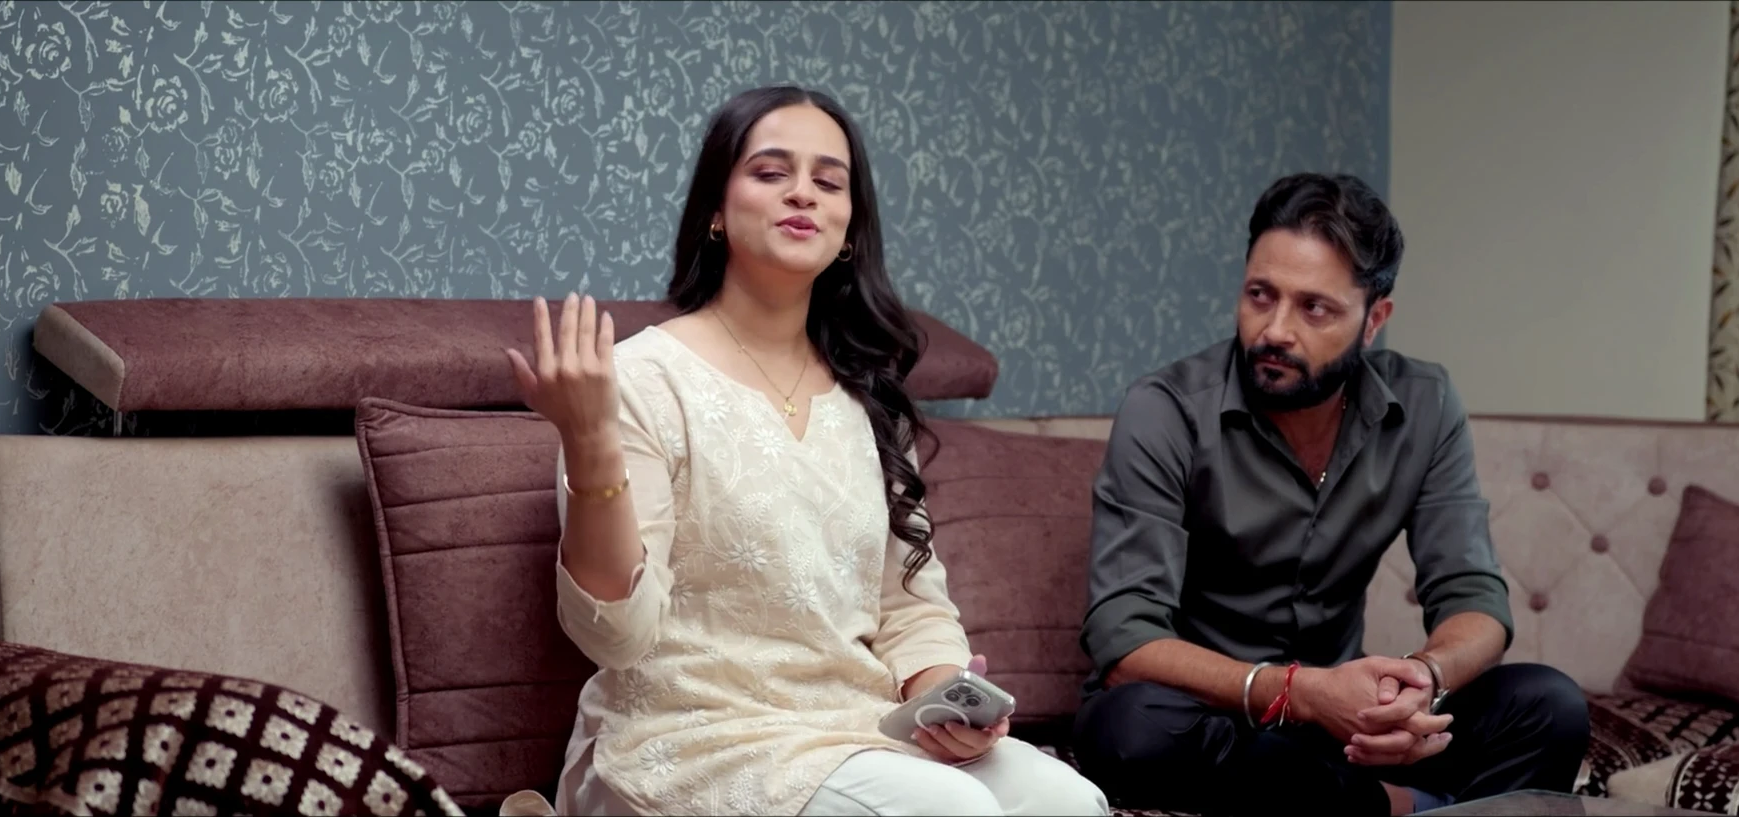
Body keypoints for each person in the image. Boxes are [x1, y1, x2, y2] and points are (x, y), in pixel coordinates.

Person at [498, 85, 1109, 817]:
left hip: (856, 727)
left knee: (1069, 800)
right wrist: (589, 440)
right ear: (716, 210)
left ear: (848, 229)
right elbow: (618, 638)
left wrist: (942, 697)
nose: (803, 194)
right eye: (770, 172)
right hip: (690, 738)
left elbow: (910, 604)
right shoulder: (639, 380)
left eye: (829, 181)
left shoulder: (868, 395)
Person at [1069, 173, 1590, 815]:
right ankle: (1397, 807)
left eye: (1314, 308)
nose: (1275, 330)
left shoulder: (1424, 405)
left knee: (1548, 706)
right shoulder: (1167, 410)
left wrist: (1420, 679)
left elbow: (1474, 598)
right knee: (1129, 727)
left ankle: (1350, 799)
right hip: (1220, 718)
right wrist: (1301, 693)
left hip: (1347, 730)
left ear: (1374, 320)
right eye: (1260, 295)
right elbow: (1124, 640)